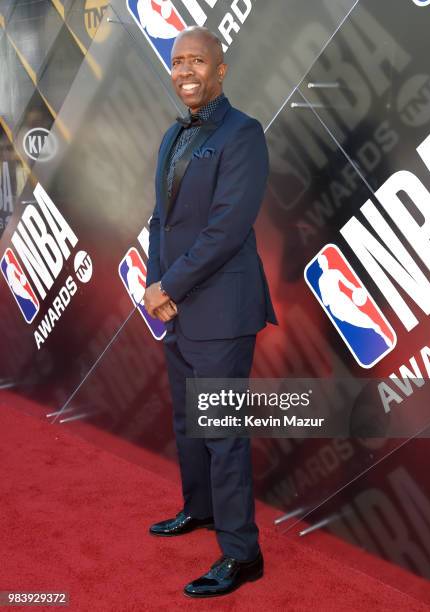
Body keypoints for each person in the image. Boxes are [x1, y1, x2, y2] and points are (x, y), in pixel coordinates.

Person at [144, 25, 277, 598]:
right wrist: (157, 287)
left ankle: (242, 554)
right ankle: (198, 509)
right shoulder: (173, 136)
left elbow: (227, 229)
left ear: (220, 70)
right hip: (177, 307)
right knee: (188, 424)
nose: (186, 72)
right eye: (178, 63)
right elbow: (162, 222)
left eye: (197, 61)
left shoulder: (243, 134)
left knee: (222, 432)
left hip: (222, 309)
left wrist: (170, 284)